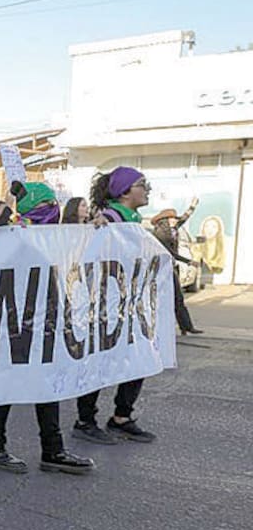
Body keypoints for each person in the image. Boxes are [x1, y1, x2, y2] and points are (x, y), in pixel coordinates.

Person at [0, 182, 95, 475]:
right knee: (5, 387)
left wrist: (98, 228)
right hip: (12, 325)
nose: (53, 209)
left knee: (48, 385)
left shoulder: (53, 237)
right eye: (46, 204)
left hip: (44, 323)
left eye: (54, 203)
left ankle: (52, 450)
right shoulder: (13, 234)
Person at [71, 166, 156, 446]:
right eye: (142, 184)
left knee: (138, 358)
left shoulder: (133, 221)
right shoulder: (109, 218)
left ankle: (121, 417)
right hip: (105, 307)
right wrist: (96, 224)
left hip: (129, 305)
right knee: (99, 362)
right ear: (124, 191)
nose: (147, 190)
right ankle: (85, 420)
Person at [151, 204, 203, 335]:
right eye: (172, 218)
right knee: (169, 299)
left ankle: (186, 326)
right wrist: (188, 261)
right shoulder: (161, 233)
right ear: (165, 220)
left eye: (175, 219)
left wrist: (192, 208)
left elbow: (183, 220)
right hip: (162, 269)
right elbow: (169, 252)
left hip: (171, 267)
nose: (175, 221)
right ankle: (172, 327)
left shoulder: (172, 230)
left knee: (177, 298)